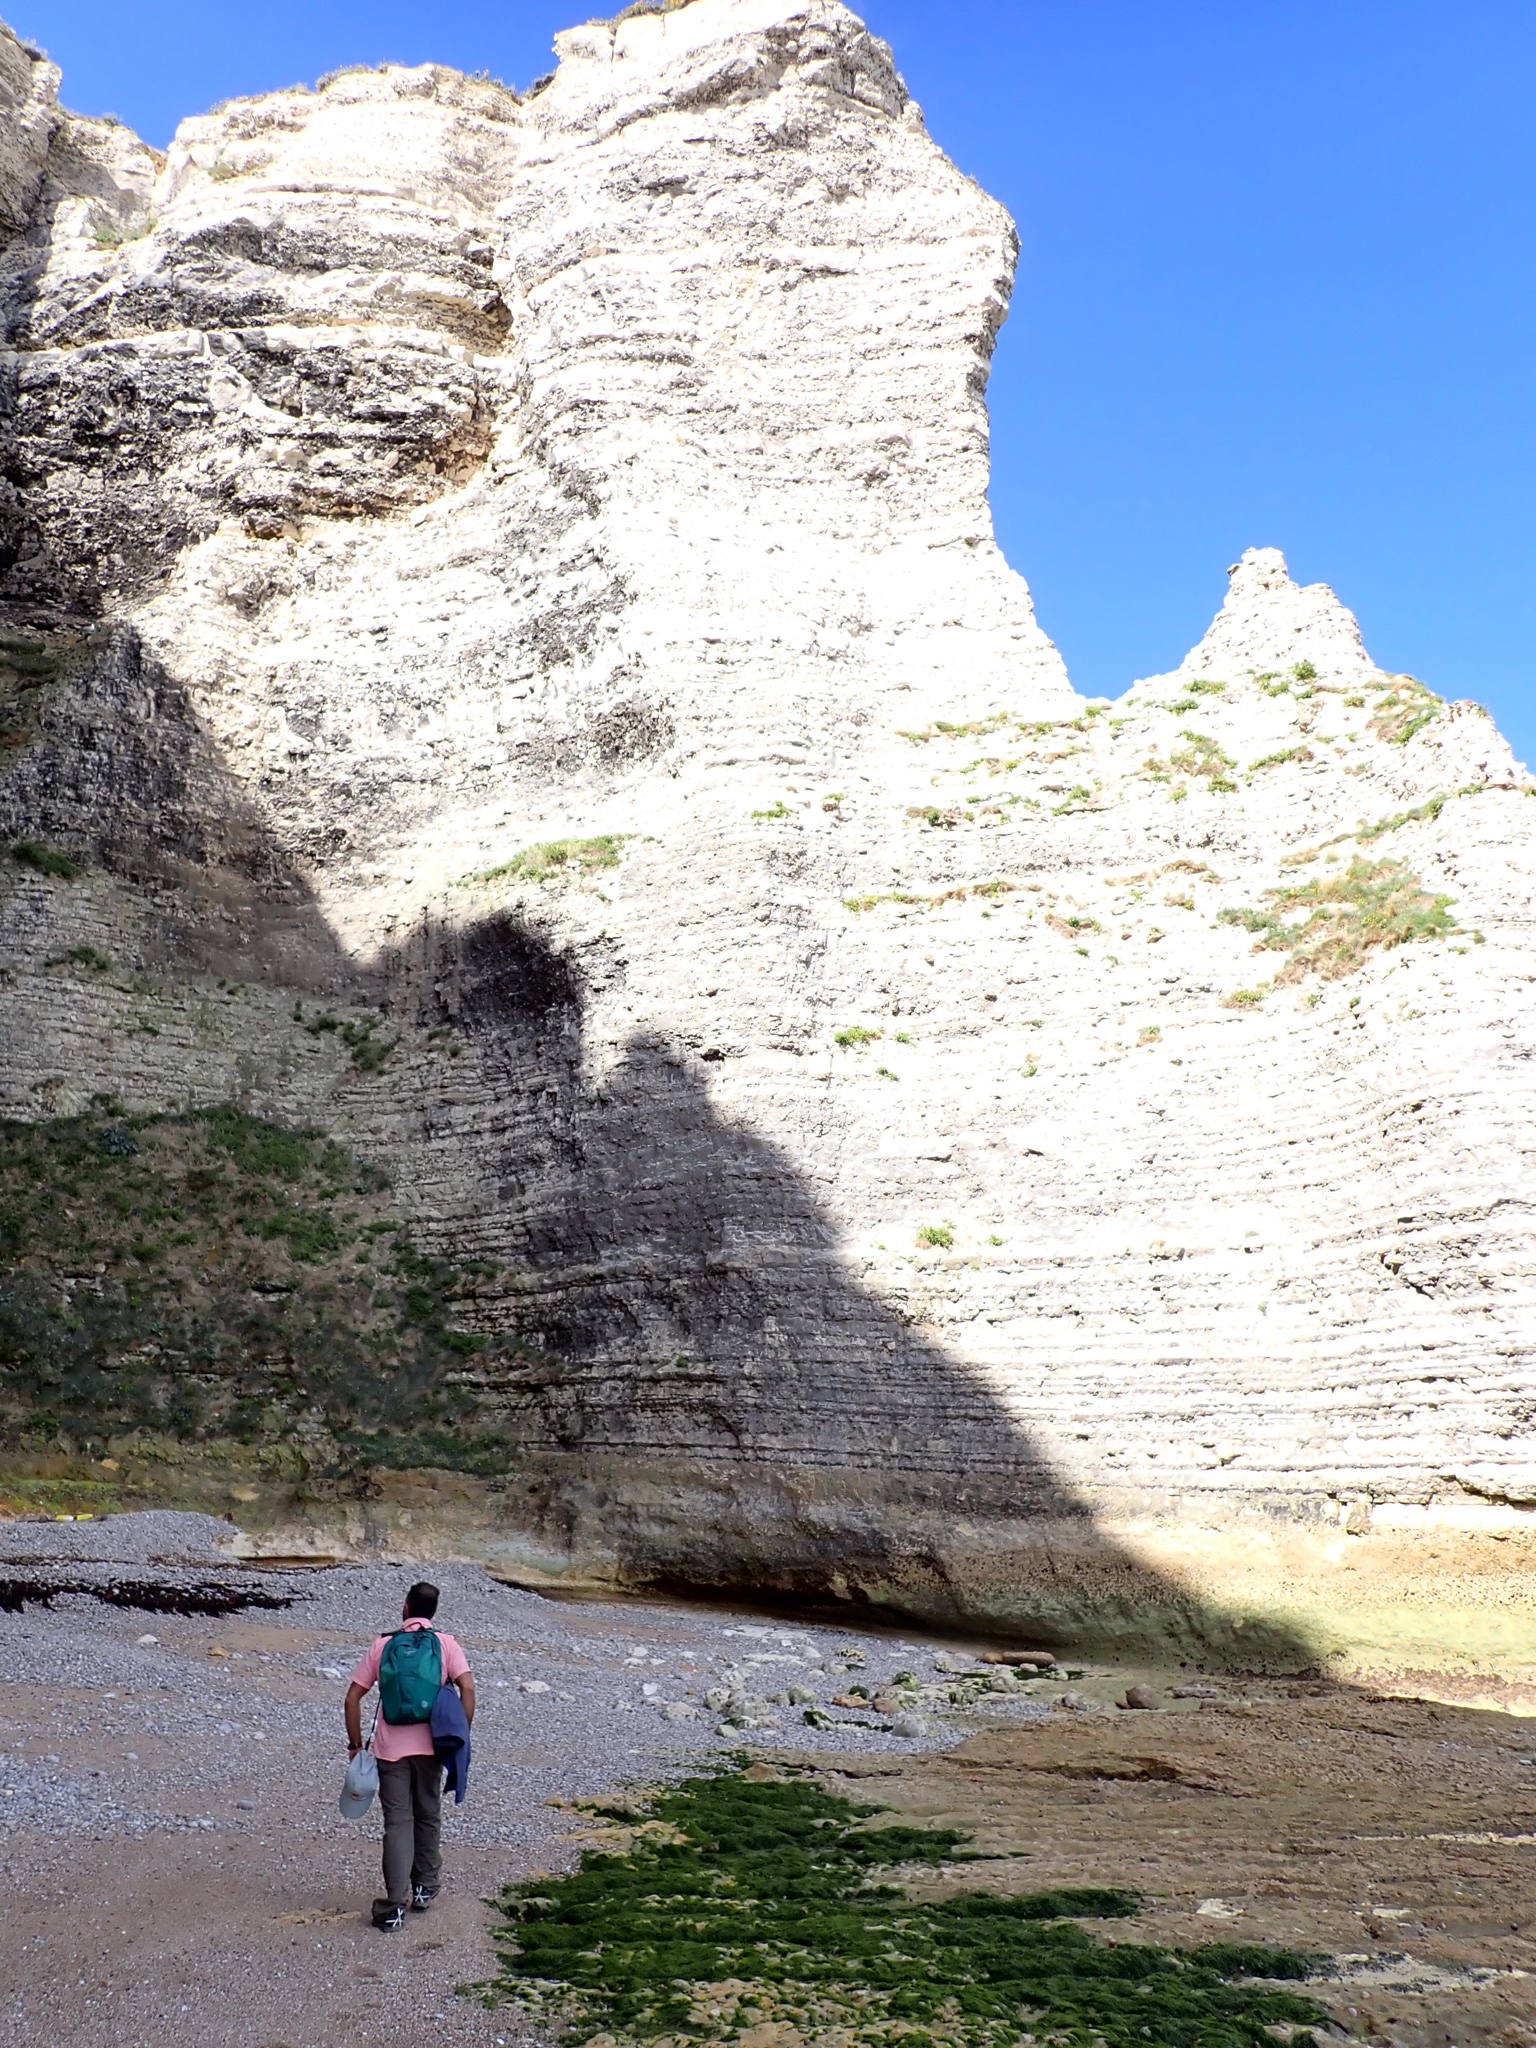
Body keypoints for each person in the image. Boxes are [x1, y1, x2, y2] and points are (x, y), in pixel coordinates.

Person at [344, 1580, 475, 1932]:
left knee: (398, 1823)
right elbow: (467, 1687)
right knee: (428, 1814)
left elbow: (352, 1698)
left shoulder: (383, 1645)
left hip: (391, 1753)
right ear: (432, 1612)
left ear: (405, 1607)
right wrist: (460, 1735)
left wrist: (355, 1746)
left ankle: (394, 1907)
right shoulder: (445, 1644)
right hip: (432, 1747)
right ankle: (424, 1889)